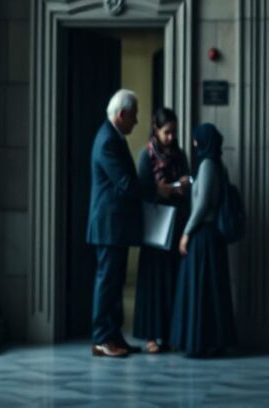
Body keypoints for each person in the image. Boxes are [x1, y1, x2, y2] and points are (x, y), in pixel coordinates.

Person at [88, 89, 177, 358]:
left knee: (114, 284)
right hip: (108, 226)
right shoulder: (107, 141)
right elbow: (126, 184)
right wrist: (157, 189)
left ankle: (114, 337)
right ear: (122, 114)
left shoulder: (113, 137)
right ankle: (103, 339)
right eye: (134, 116)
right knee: (107, 283)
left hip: (115, 226)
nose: (137, 122)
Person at [170, 123, 237, 357]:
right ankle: (212, 341)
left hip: (204, 235)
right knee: (210, 292)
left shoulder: (207, 165)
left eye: (197, 140)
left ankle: (200, 343)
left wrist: (186, 233)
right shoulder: (215, 164)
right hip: (211, 237)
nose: (194, 143)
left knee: (200, 291)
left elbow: (201, 207)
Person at [133, 108, 192, 354]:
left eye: (174, 132)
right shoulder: (146, 156)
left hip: (176, 221)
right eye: (167, 132)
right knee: (153, 281)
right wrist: (162, 190)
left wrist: (181, 187)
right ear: (155, 130)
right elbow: (143, 188)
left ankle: (169, 333)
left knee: (172, 279)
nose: (171, 137)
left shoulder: (180, 154)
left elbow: (187, 181)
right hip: (156, 225)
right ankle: (150, 336)